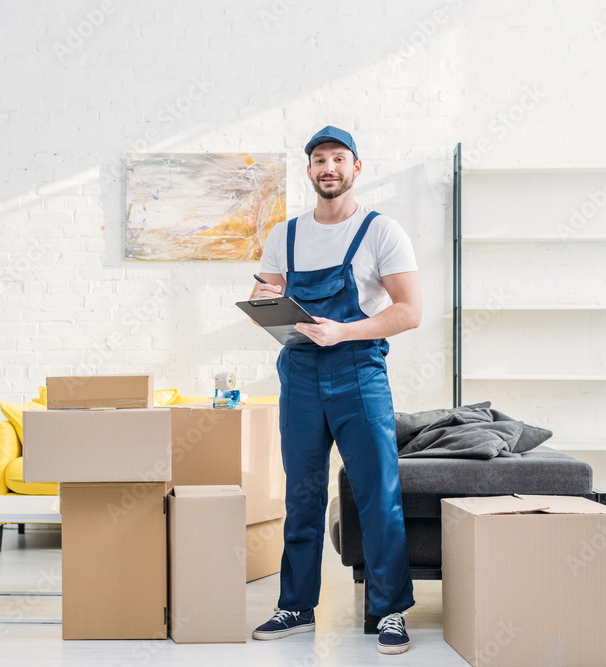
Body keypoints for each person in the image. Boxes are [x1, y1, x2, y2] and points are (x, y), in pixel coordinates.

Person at [249, 126, 422, 655]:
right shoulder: (285, 234)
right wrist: (261, 298)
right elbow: (270, 301)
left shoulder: (381, 231)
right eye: (319, 159)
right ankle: (296, 606)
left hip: (358, 373)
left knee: (377, 494)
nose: (329, 167)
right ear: (309, 171)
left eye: (339, 159)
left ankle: (388, 611)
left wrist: (342, 331)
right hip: (299, 375)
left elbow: (409, 311)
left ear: (356, 168)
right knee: (301, 495)